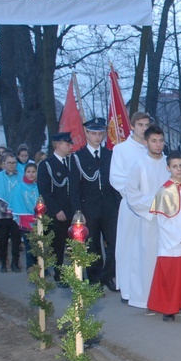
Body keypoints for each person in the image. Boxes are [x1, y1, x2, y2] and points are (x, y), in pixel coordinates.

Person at [147, 151, 181, 322]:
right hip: (173, 243)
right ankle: (169, 308)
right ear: (168, 168)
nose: (178, 169)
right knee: (172, 276)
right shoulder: (164, 192)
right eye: (174, 166)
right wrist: (180, 238)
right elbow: (163, 221)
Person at [69, 118, 120, 292]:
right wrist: (78, 211)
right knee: (92, 245)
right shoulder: (77, 157)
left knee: (114, 243)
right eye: (93, 133)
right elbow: (74, 188)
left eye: (100, 134)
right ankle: (94, 278)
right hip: (88, 208)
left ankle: (108, 275)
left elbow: (116, 182)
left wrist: (119, 205)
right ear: (87, 134)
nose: (97, 137)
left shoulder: (110, 155)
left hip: (110, 207)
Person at [123, 125, 170, 309]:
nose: (158, 145)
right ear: (145, 142)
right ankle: (147, 299)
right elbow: (132, 195)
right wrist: (156, 202)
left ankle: (167, 299)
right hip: (148, 221)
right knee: (148, 260)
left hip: (170, 221)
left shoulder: (169, 164)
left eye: (161, 141)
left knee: (168, 261)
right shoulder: (139, 165)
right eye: (153, 141)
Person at [110, 111, 151, 301]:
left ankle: (147, 289)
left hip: (151, 207)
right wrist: (136, 197)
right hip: (131, 205)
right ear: (132, 126)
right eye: (140, 125)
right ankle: (127, 289)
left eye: (146, 125)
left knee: (148, 248)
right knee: (128, 247)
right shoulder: (121, 150)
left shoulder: (154, 149)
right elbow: (116, 178)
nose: (144, 129)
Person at [37, 133, 74, 283]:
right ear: (57, 145)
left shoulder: (71, 162)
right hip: (57, 212)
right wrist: (56, 210)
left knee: (73, 245)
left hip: (72, 210)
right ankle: (59, 274)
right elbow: (44, 191)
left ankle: (74, 272)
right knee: (58, 245)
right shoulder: (46, 165)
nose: (71, 147)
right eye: (67, 144)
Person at [0, 152, 22, 273]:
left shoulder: (21, 176)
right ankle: (3, 262)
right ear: (3, 164)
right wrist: (6, 209)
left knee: (16, 239)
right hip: (3, 213)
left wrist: (17, 209)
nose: (12, 165)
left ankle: (15, 262)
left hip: (17, 214)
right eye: (9, 163)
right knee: (3, 239)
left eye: (14, 163)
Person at [9, 162, 40, 272]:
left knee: (41, 244)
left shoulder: (41, 185)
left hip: (41, 220)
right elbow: (17, 205)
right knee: (29, 245)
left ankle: (41, 266)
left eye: (33, 172)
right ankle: (30, 266)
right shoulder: (20, 187)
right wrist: (30, 217)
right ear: (25, 173)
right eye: (28, 172)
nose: (31, 174)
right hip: (26, 221)